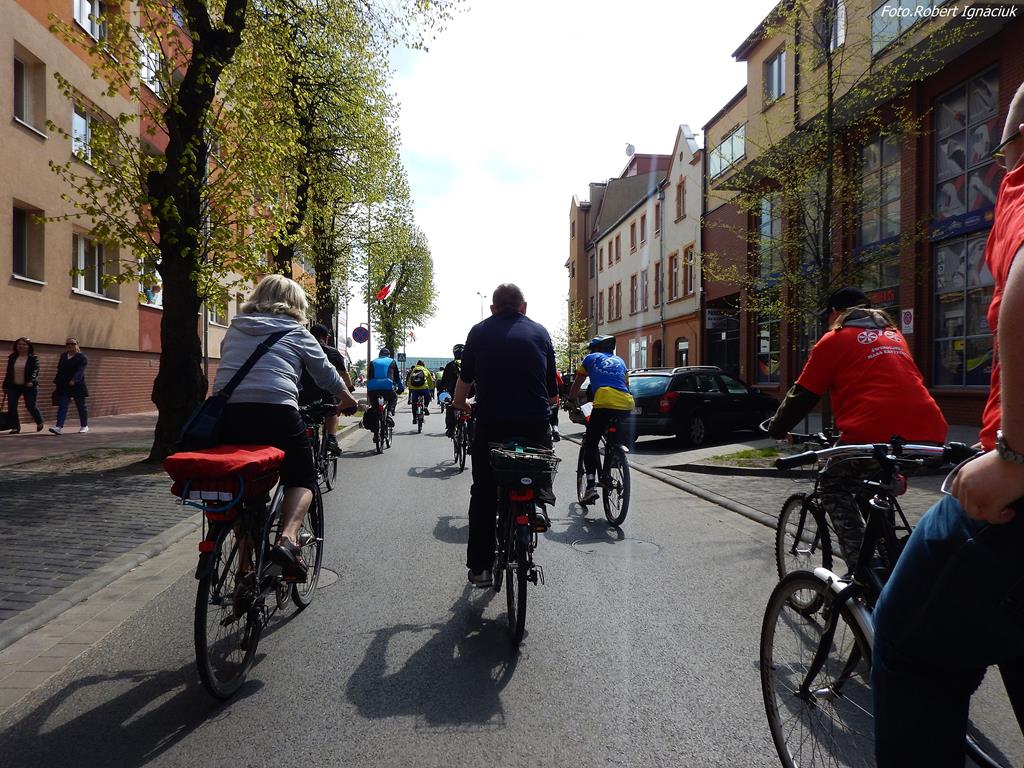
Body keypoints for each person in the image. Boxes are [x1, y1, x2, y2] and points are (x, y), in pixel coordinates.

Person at [872, 83, 1024, 766]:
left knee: (906, 647)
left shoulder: (1021, 185)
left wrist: (1014, 456)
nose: (1000, 168)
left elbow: (805, 394)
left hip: (1006, 490)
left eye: (1003, 151)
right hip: (930, 425)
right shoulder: (891, 338)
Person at [766, 287, 947, 572]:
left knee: (832, 485)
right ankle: (889, 556)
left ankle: (863, 571)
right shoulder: (893, 335)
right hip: (928, 433)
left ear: (834, 313)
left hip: (874, 432)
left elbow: (803, 395)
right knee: (873, 484)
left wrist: (777, 428)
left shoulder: (834, 340)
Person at [214, 275, 358, 580]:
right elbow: (326, 375)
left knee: (245, 491)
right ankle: (288, 539)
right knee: (303, 477)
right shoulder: (296, 331)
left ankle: (243, 571)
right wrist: (347, 400)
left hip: (229, 415)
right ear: (296, 304)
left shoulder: (235, 328)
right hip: (277, 412)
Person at [452, 283, 558, 587]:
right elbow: (552, 393)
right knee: (537, 467)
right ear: (524, 307)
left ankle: (481, 568)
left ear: (492, 309)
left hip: (492, 424)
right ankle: (537, 505)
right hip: (534, 424)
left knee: (484, 491)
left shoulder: (478, 332)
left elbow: (464, 381)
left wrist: (461, 405)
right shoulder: (541, 332)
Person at [567, 335, 635, 504]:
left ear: (596, 349)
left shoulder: (590, 359)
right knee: (613, 436)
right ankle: (614, 456)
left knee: (591, 443)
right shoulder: (621, 361)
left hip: (604, 401)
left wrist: (570, 400)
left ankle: (590, 487)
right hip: (626, 403)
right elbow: (626, 385)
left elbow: (578, 383)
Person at [299, 322, 353, 455]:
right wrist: (349, 390)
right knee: (333, 411)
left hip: (303, 394)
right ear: (326, 337)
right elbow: (344, 374)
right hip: (326, 394)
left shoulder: (301, 349)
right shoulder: (333, 352)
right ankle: (332, 438)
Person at [3, 337, 44, 434]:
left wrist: (31, 381)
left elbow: (35, 371)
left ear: (29, 346)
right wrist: (5, 385)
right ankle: (15, 427)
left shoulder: (33, 358)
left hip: (28, 386)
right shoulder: (12, 357)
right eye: (19, 344)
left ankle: (39, 421)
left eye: (24, 344)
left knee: (30, 405)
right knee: (12, 407)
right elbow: (8, 372)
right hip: (14, 386)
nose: (21, 346)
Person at [49, 338, 89, 435]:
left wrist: (74, 380)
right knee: (63, 406)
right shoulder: (63, 356)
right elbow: (60, 369)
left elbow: (81, 370)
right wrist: (57, 382)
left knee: (81, 406)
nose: (70, 345)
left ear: (77, 345)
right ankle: (59, 427)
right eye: (68, 344)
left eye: (73, 344)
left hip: (77, 385)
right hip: (64, 385)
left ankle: (84, 425)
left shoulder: (82, 357)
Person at [366, 347, 404, 425]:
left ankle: (375, 419)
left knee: (375, 407)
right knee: (393, 398)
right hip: (387, 387)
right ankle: (389, 412)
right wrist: (400, 388)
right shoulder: (392, 361)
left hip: (373, 388)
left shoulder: (372, 362)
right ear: (389, 355)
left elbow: (369, 377)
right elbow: (397, 377)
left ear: (379, 355)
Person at [441, 344, 466, 438]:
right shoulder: (470, 363)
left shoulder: (450, 365)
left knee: (450, 408)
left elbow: (444, 381)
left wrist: (440, 391)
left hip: (453, 393)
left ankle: (450, 428)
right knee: (472, 413)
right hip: (469, 393)